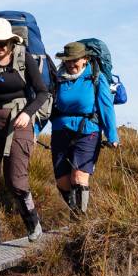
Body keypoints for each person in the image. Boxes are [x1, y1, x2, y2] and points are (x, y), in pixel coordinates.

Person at [0, 17, 50, 253]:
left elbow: (42, 93)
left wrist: (27, 113)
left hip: (18, 122)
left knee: (16, 180)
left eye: (1, 43)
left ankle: (32, 221)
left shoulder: (24, 59)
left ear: (11, 42)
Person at [50, 42, 118, 216]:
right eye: (68, 60)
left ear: (85, 59)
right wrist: (35, 131)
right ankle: (75, 212)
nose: (71, 64)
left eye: (75, 60)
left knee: (79, 177)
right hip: (60, 131)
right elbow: (48, 106)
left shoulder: (95, 77)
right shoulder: (58, 78)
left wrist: (112, 135)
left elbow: (106, 107)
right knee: (62, 181)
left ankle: (80, 220)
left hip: (88, 131)